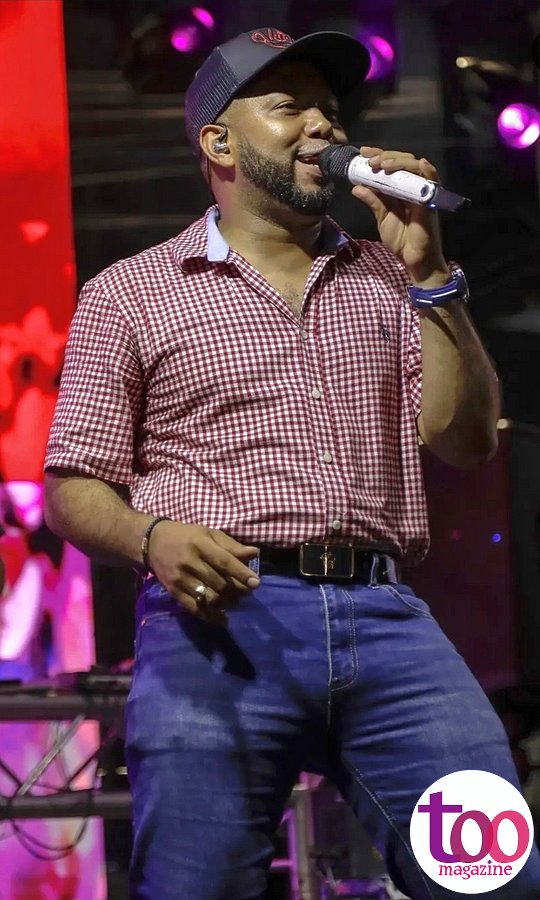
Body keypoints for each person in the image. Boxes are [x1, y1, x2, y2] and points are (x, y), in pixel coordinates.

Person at [43, 26, 540, 900]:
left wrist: (431, 274)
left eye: (330, 109)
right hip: (219, 629)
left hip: (388, 620)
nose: (323, 126)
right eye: (289, 107)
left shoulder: (391, 279)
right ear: (219, 143)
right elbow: (72, 487)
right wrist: (151, 537)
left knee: (493, 878)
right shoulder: (131, 291)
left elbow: (467, 442)